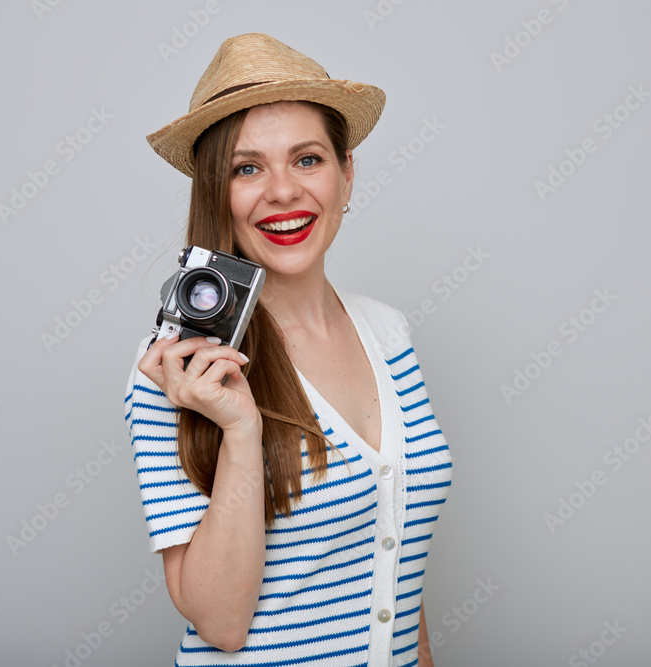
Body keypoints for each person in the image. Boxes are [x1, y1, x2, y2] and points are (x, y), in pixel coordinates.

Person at [123, 33, 452, 666]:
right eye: (247, 168)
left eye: (307, 159)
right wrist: (241, 431)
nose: (282, 191)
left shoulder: (389, 333)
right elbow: (220, 622)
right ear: (217, 192)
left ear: (346, 172)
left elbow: (398, 579)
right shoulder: (178, 369)